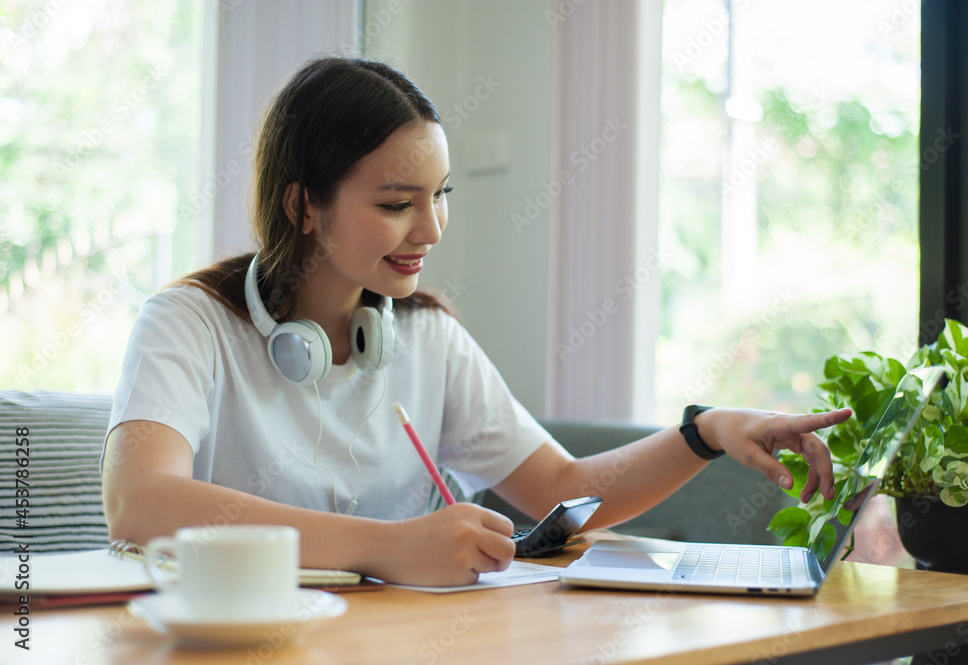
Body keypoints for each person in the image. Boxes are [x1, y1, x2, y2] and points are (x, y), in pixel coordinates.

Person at [101, 55, 851, 587]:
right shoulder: (187, 324)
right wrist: (392, 547)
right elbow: (142, 503)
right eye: (397, 203)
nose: (431, 229)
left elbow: (565, 486)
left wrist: (707, 431)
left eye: (441, 194)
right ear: (304, 206)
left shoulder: (426, 335)